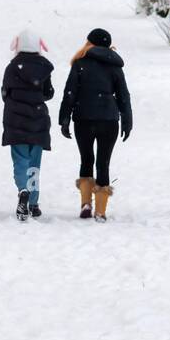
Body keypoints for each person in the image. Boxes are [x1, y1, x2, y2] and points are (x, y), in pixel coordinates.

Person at [58, 28, 132, 221]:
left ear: (89, 43)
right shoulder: (115, 67)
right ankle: (100, 211)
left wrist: (64, 118)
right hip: (108, 120)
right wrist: (127, 120)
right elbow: (124, 96)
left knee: (86, 160)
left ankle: (85, 204)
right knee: (103, 163)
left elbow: (70, 93)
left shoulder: (80, 63)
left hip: (84, 118)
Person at [1, 27, 54, 220]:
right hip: (38, 121)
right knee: (34, 164)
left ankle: (23, 191)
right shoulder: (44, 68)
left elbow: (5, 93)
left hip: (16, 121)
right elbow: (48, 93)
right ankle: (33, 203)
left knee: (20, 161)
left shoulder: (12, 67)